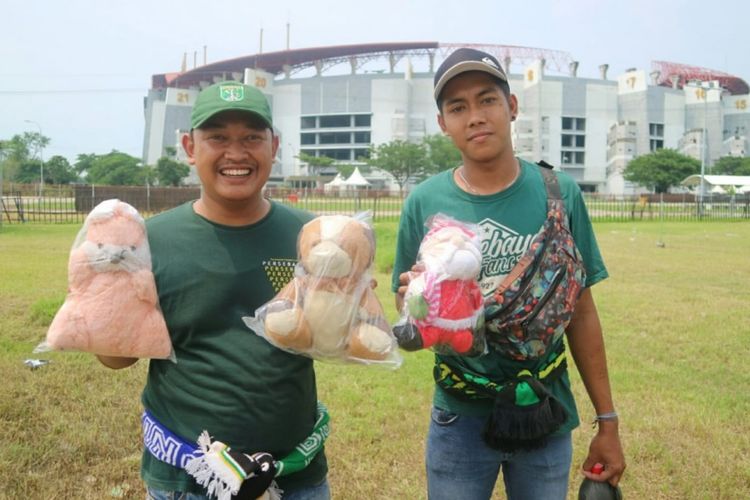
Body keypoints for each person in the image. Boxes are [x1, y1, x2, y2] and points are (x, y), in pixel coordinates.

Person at [391, 48, 625, 499]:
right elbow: (410, 321)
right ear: (443, 123)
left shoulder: (560, 193)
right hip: (459, 415)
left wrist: (608, 420)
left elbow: (581, 312)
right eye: (457, 108)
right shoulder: (424, 201)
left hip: (545, 410)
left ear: (511, 106)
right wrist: (416, 304)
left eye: (487, 100)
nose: (475, 116)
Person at [97, 81, 329, 500]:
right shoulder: (149, 240)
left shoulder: (311, 236)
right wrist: (101, 296)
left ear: (274, 146)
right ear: (190, 146)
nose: (236, 153)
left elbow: (338, 334)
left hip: (295, 475)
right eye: (217, 137)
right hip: (188, 482)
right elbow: (115, 358)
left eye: (251, 137)